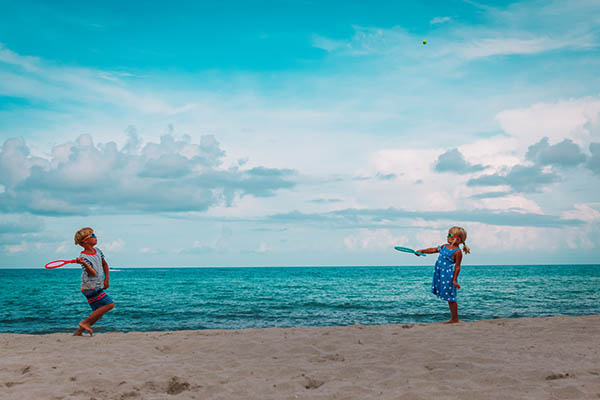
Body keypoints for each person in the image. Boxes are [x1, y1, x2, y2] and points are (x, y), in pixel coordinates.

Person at [416, 226, 470, 324]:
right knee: (449, 296)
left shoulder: (457, 252)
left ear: (457, 239)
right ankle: (454, 318)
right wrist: (422, 251)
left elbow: (457, 267)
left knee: (451, 297)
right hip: (439, 273)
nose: (447, 236)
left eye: (450, 235)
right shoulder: (444, 246)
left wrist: (454, 280)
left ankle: (455, 319)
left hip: (447, 275)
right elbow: (433, 250)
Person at [72, 227, 114, 336]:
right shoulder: (83, 257)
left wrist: (106, 279)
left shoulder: (98, 251)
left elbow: (105, 264)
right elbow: (92, 273)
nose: (96, 237)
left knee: (98, 313)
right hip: (89, 287)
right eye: (92, 236)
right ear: (85, 241)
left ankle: (78, 332)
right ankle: (84, 323)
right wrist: (84, 264)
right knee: (110, 304)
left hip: (96, 285)